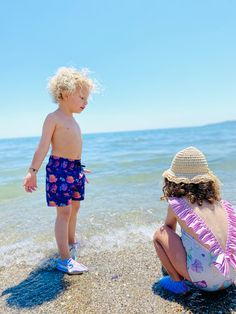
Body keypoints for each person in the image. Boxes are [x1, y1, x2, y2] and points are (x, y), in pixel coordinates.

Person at [23, 67, 96, 274]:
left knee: (75, 208)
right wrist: (32, 171)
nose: (86, 102)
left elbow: (73, 149)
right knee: (63, 212)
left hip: (74, 170)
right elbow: (43, 146)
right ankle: (64, 259)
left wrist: (79, 169)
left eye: (86, 98)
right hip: (59, 169)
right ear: (65, 93)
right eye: (82, 97)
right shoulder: (53, 118)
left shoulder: (74, 121)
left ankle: (71, 244)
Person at [153, 146, 236, 293]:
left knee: (160, 234)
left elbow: (168, 231)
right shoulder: (221, 204)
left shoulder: (178, 204)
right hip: (230, 277)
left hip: (204, 280)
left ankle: (177, 282)